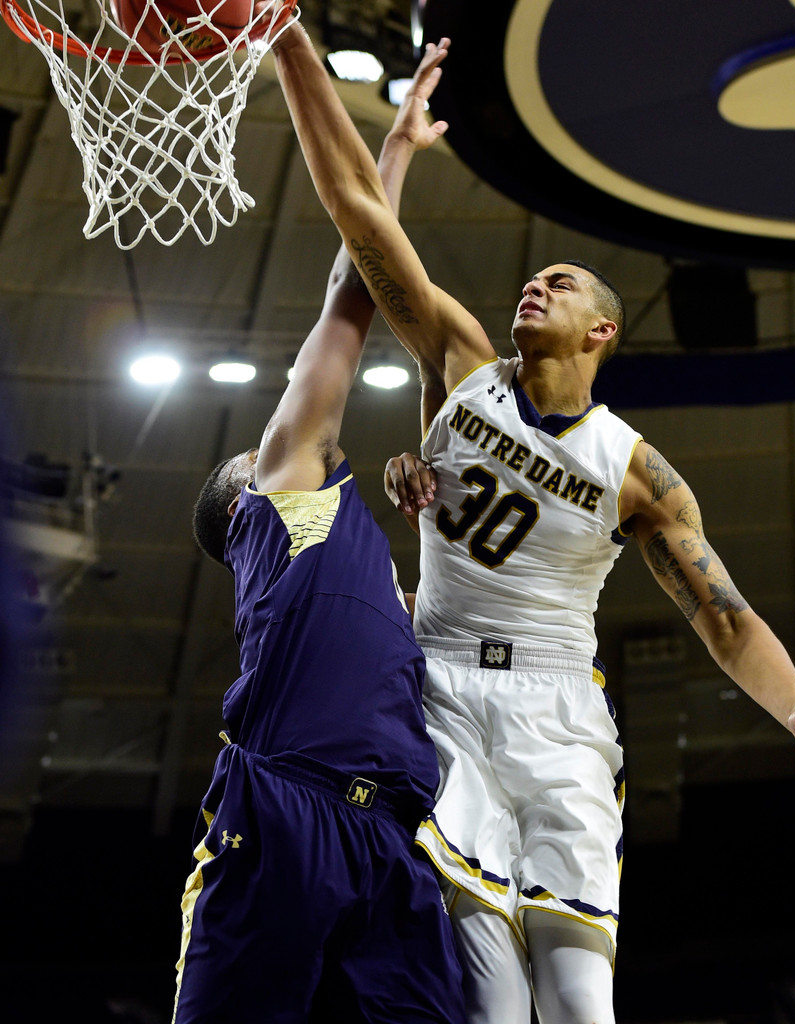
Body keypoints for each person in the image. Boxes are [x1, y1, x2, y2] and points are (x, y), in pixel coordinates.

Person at [269, 29, 795, 1024]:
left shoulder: (635, 472)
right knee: (490, 1005)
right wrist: (297, 48)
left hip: (557, 711)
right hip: (442, 692)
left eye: (563, 281)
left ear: (599, 331)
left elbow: (720, 616)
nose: (533, 283)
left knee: (580, 1000)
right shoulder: (459, 366)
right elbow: (357, 218)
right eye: (531, 277)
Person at [176, 52, 464, 1024]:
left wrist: (392, 157)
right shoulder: (282, 491)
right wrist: (383, 158)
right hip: (287, 809)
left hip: (391, 836)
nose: (281, 431)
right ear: (240, 499)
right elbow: (351, 293)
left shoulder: (363, 574)